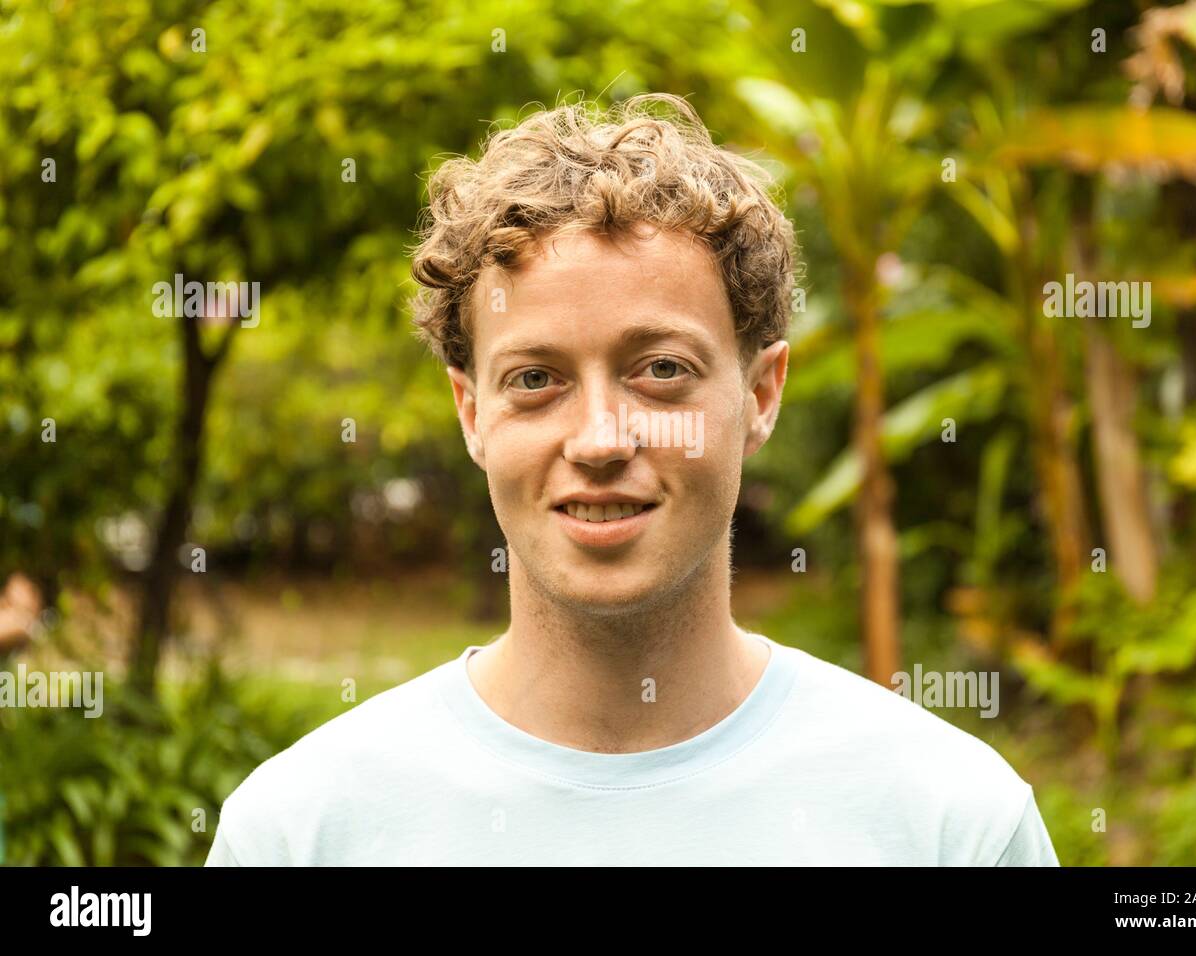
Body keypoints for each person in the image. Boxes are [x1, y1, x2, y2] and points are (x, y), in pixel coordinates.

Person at [205, 93, 1059, 866]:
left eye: (659, 368)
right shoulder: (300, 835)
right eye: (536, 379)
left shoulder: (953, 828)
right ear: (472, 414)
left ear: (760, 394)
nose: (601, 440)